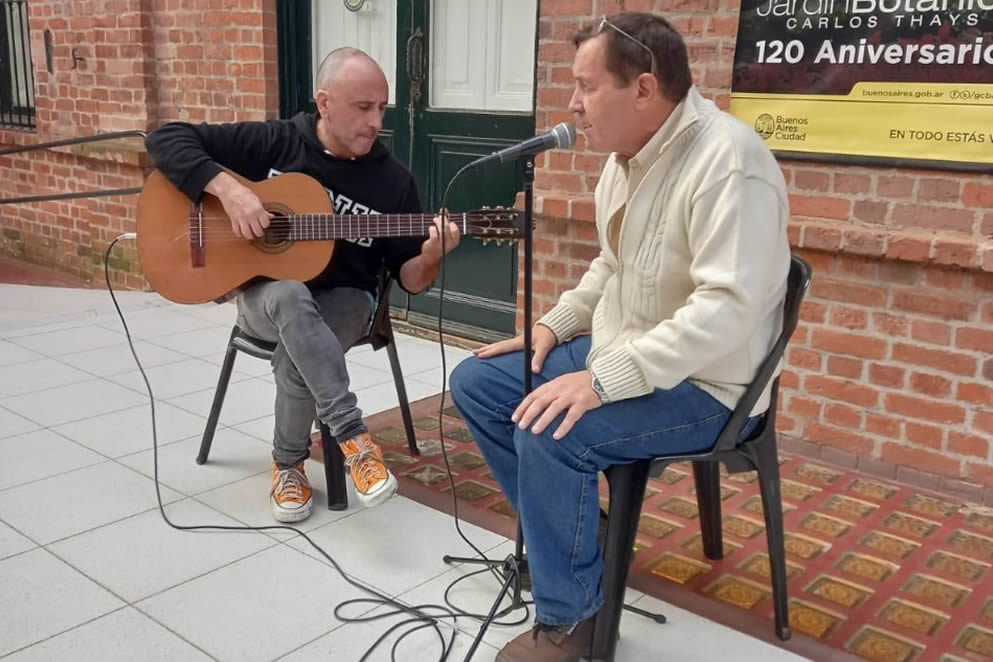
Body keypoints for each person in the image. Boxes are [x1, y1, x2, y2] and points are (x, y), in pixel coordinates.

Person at [449, 12, 791, 662]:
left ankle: (570, 617)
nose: (571, 105)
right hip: (627, 347)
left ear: (642, 88)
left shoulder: (729, 162)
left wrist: (604, 380)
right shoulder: (623, 158)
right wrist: (552, 327)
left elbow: (729, 309)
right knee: (479, 384)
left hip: (710, 384)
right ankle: (578, 542)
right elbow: (611, 265)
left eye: (585, 86)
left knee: (549, 429)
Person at [146, 47, 460, 523]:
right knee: (291, 296)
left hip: (348, 303)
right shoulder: (275, 143)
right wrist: (230, 193)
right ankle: (354, 438)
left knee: (302, 340)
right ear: (325, 102)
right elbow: (167, 139)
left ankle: (289, 464)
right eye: (362, 108)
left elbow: (411, 280)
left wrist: (432, 254)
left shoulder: (394, 183)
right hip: (264, 298)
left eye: (382, 108)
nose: (376, 121)